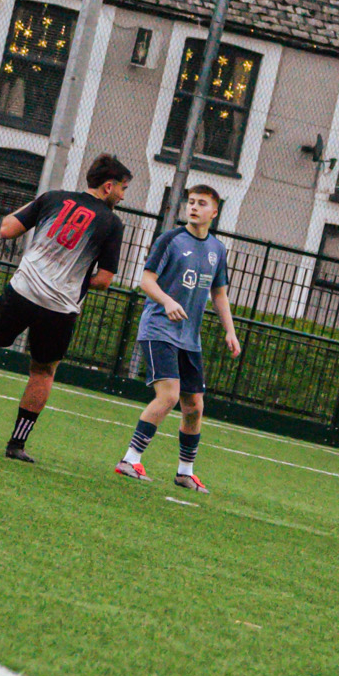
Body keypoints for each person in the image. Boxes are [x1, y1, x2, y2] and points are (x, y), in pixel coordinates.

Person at [0, 154, 131, 462]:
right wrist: (75, 281)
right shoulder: (112, 224)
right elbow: (104, 279)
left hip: (22, 292)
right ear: (107, 186)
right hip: (61, 308)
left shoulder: (53, 198)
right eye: (123, 189)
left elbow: (6, 229)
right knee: (43, 371)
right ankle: (16, 444)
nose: (123, 196)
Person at [117, 183, 241, 491]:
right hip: (159, 329)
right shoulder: (170, 239)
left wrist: (230, 330)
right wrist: (167, 301)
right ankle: (129, 459)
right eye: (191, 202)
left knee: (194, 407)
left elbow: (219, 293)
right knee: (169, 396)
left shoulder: (217, 249)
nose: (194, 207)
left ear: (215, 212)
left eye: (202, 203)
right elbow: (146, 280)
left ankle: (185, 471)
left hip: (189, 339)